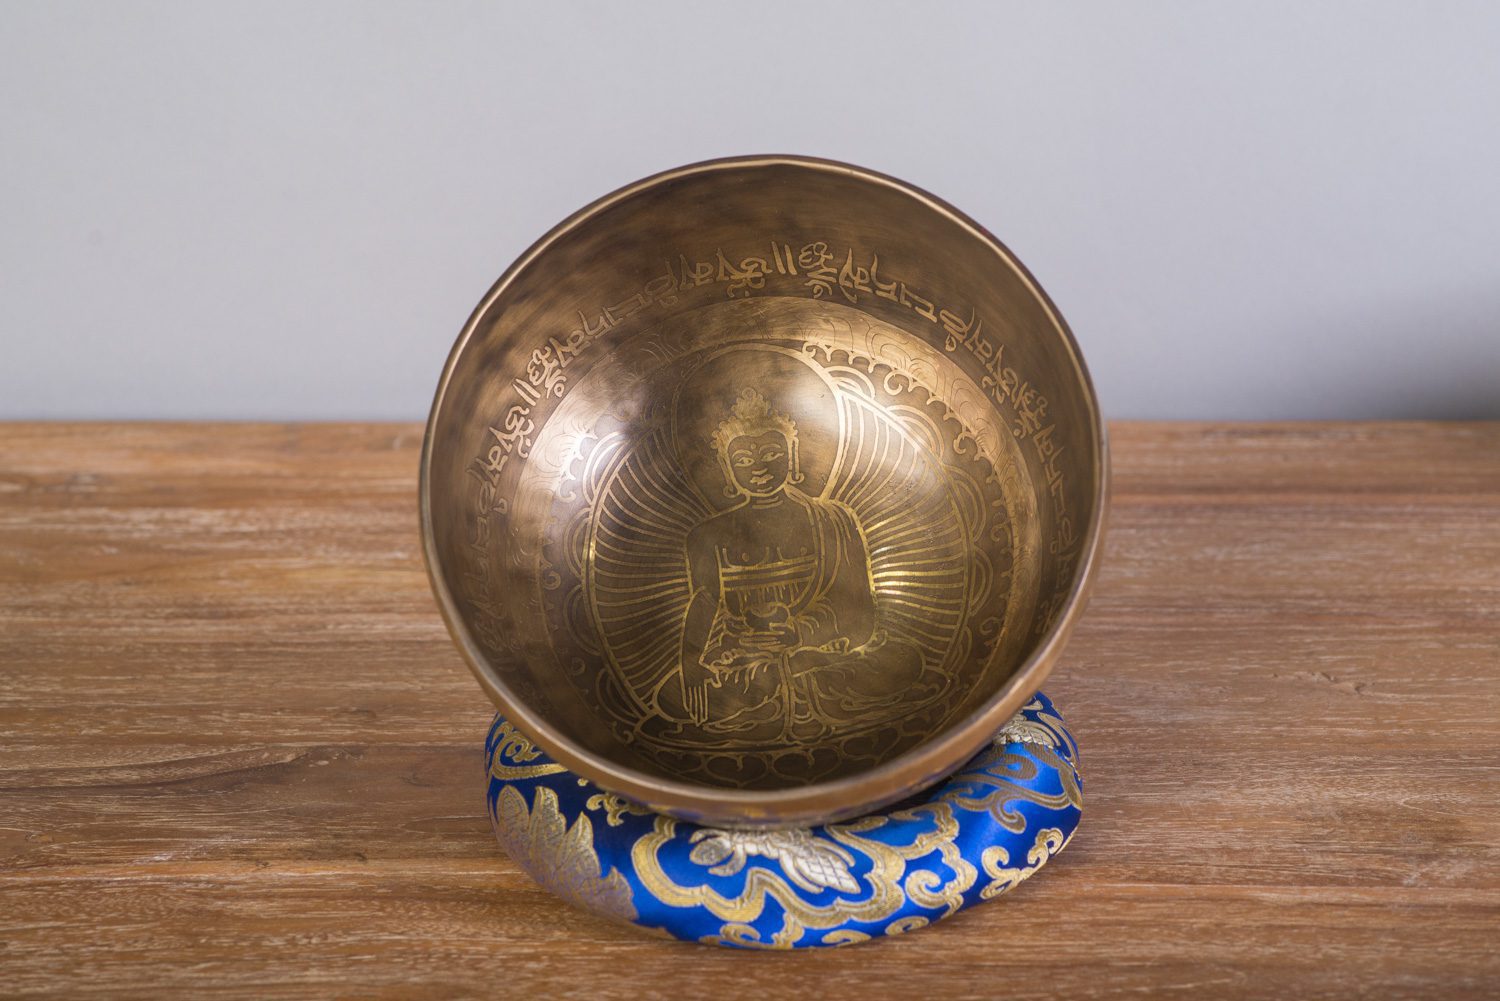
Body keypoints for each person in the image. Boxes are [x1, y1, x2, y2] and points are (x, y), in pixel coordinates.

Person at [665, 387, 925, 741]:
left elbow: (861, 616)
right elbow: (704, 607)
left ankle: (779, 683)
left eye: (772, 454)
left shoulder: (833, 519)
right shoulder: (706, 535)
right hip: (744, 659)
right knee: (672, 694)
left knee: (904, 659)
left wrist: (800, 634)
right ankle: (777, 682)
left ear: (793, 457)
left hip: (817, 653)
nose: (758, 468)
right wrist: (693, 664)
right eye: (743, 461)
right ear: (727, 470)